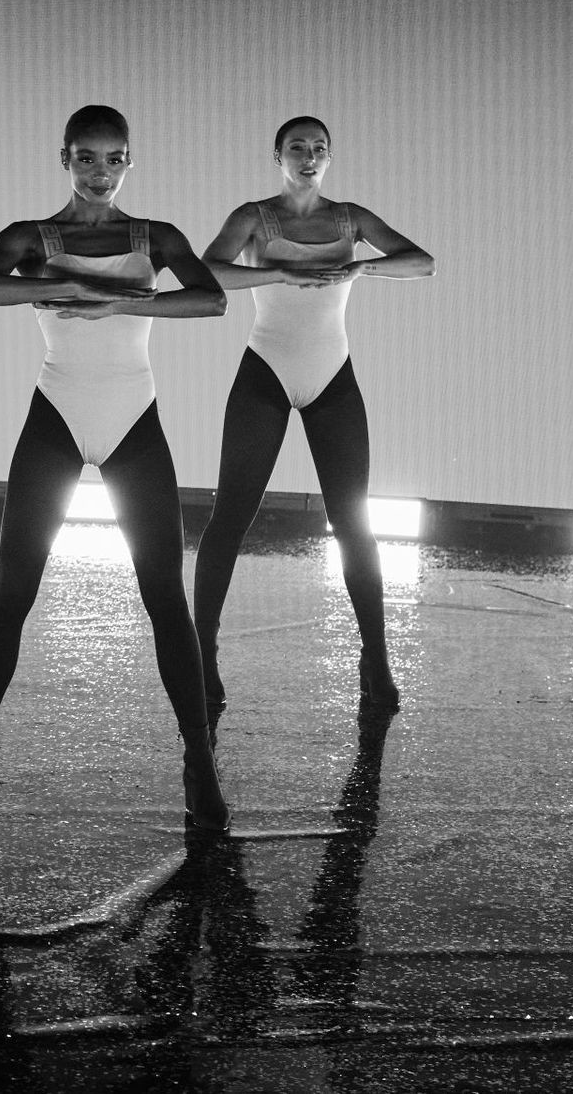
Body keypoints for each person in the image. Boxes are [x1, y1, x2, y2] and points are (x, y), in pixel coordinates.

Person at [0, 105, 229, 832]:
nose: (100, 172)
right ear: (65, 159)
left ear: (129, 162)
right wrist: (69, 291)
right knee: (13, 593)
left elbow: (212, 299)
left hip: (134, 420)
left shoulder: (155, 237)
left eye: (113, 159)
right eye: (86, 158)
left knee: (165, 597)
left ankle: (199, 761)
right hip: (57, 413)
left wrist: (123, 302)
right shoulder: (31, 237)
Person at [192, 117, 434, 718]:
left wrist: (361, 266)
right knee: (230, 518)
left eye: (319, 149)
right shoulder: (254, 217)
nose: (308, 157)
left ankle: (376, 659)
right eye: (297, 148)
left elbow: (421, 262)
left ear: (329, 158)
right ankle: (203, 653)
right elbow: (206, 272)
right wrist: (278, 271)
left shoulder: (350, 218)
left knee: (354, 523)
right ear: (277, 155)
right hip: (266, 373)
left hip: (332, 376)